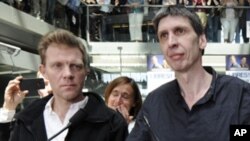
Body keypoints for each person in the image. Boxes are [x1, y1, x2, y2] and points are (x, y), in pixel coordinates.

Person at [126, 6, 250, 141]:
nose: (171, 42)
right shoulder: (155, 103)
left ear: (202, 40)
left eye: (180, 31)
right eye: (164, 35)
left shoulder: (240, 96)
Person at [0, 29, 128, 141]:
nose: (68, 74)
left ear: (86, 71)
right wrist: (8, 109)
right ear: (43, 71)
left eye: (76, 66)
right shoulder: (26, 120)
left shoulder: (112, 124)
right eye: (57, 66)